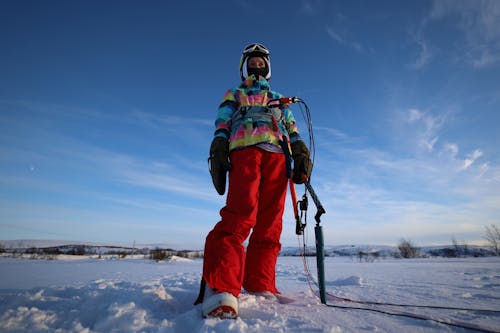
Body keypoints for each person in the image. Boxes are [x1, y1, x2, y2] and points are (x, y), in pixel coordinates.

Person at [199, 43, 312, 318]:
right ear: (244, 67)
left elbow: (290, 126)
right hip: (245, 150)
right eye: (253, 61)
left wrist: (299, 150)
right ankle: (222, 288)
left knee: (270, 222)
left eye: (262, 61)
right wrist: (219, 144)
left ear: (268, 68)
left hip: (278, 156)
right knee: (241, 214)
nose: (258, 64)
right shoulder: (235, 94)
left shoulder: (278, 97)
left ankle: (259, 283)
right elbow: (223, 120)